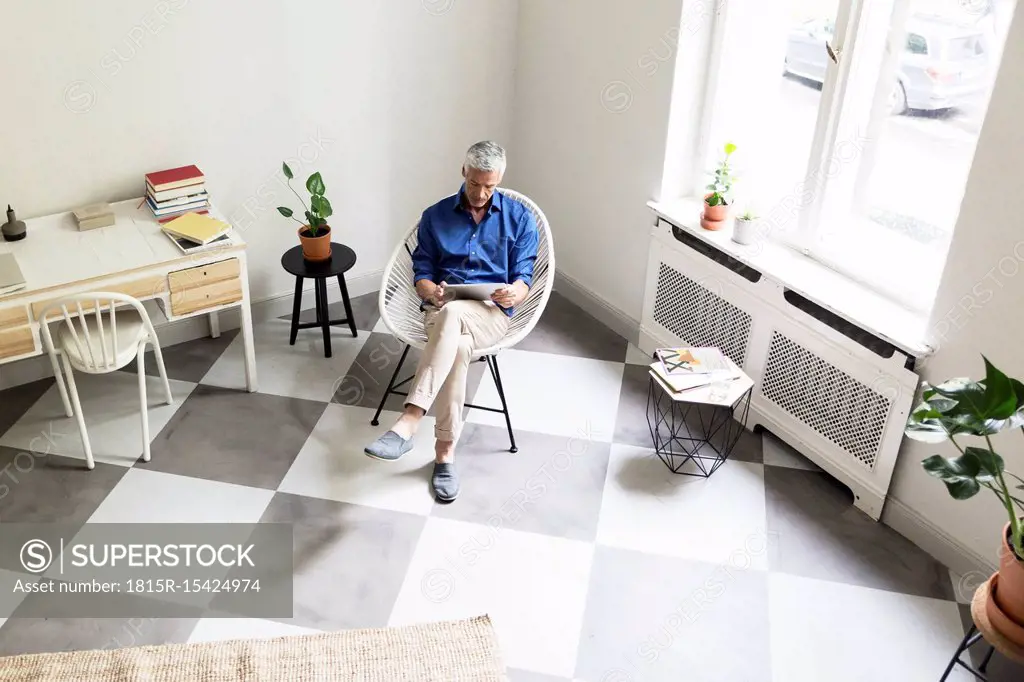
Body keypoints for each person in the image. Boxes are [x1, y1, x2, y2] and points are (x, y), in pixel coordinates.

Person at [363, 141, 539, 502]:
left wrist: (515, 293)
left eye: (490, 186)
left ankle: (409, 420)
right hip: (439, 312)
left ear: (500, 178)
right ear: (464, 171)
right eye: (475, 183)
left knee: (455, 314)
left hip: (490, 315)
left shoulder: (519, 218)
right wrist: (429, 290)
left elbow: (525, 274)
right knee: (456, 341)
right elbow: (421, 269)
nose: (480, 193)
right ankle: (445, 454)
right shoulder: (435, 215)